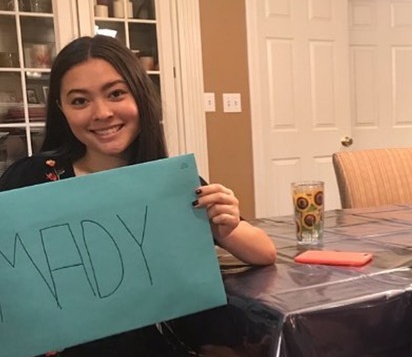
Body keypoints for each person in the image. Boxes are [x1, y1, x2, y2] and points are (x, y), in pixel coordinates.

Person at [0, 35, 277, 356]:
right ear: (61, 109)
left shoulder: (170, 184)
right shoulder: (32, 177)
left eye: (116, 94)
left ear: (140, 95)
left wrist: (225, 226)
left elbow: (264, 252)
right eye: (80, 101)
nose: (101, 113)